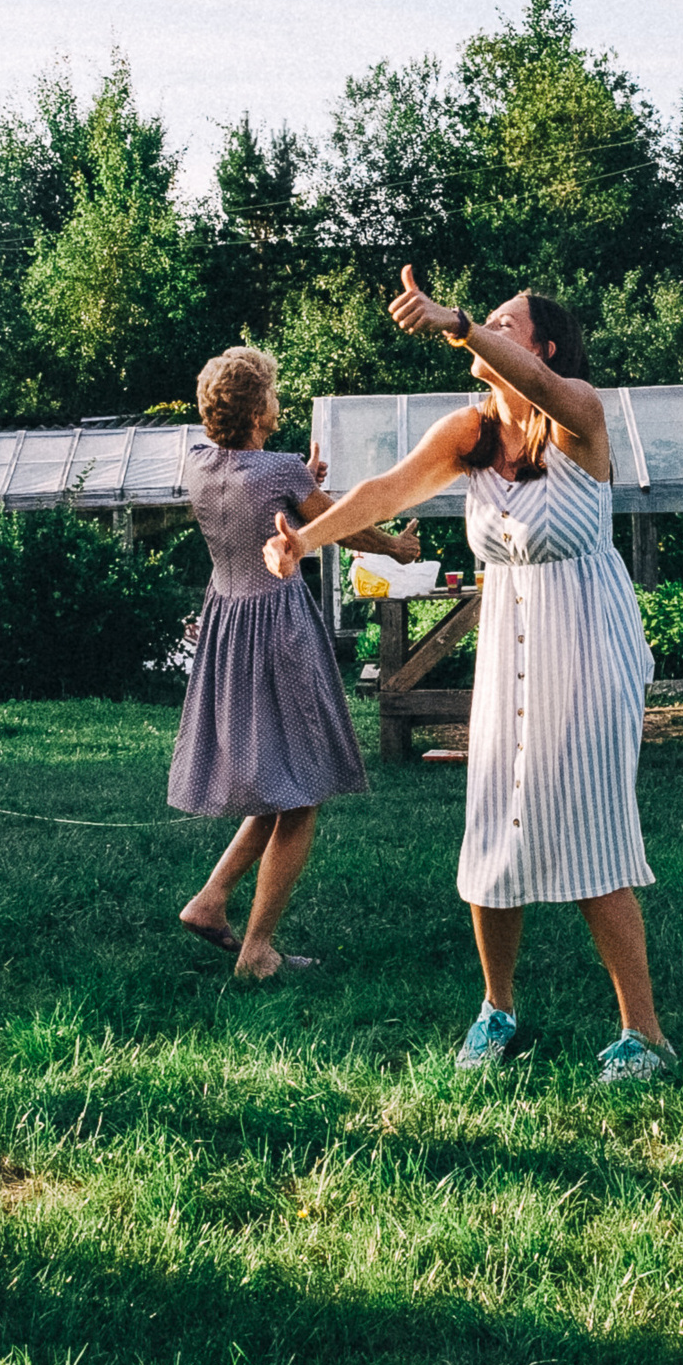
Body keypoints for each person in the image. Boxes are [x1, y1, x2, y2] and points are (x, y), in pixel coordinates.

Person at [264, 268, 675, 1083]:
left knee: (593, 824)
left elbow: (541, 389)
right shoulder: (470, 433)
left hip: (589, 645)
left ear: (543, 348)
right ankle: (497, 1011)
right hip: (510, 650)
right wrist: (305, 541)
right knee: (494, 824)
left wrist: (455, 321)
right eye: (482, 320)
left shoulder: (579, 416)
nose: (485, 329)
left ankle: (645, 1036)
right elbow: (386, 491)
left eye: (503, 323)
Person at [170, 347, 422, 979]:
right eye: (272, 394)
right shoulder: (279, 469)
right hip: (278, 631)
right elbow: (340, 524)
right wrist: (395, 546)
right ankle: (257, 951)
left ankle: (210, 901)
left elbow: (253, 493)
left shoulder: (197, 462)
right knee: (303, 787)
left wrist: (297, 482)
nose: (277, 401)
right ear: (259, 410)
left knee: (276, 776)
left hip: (228, 627)